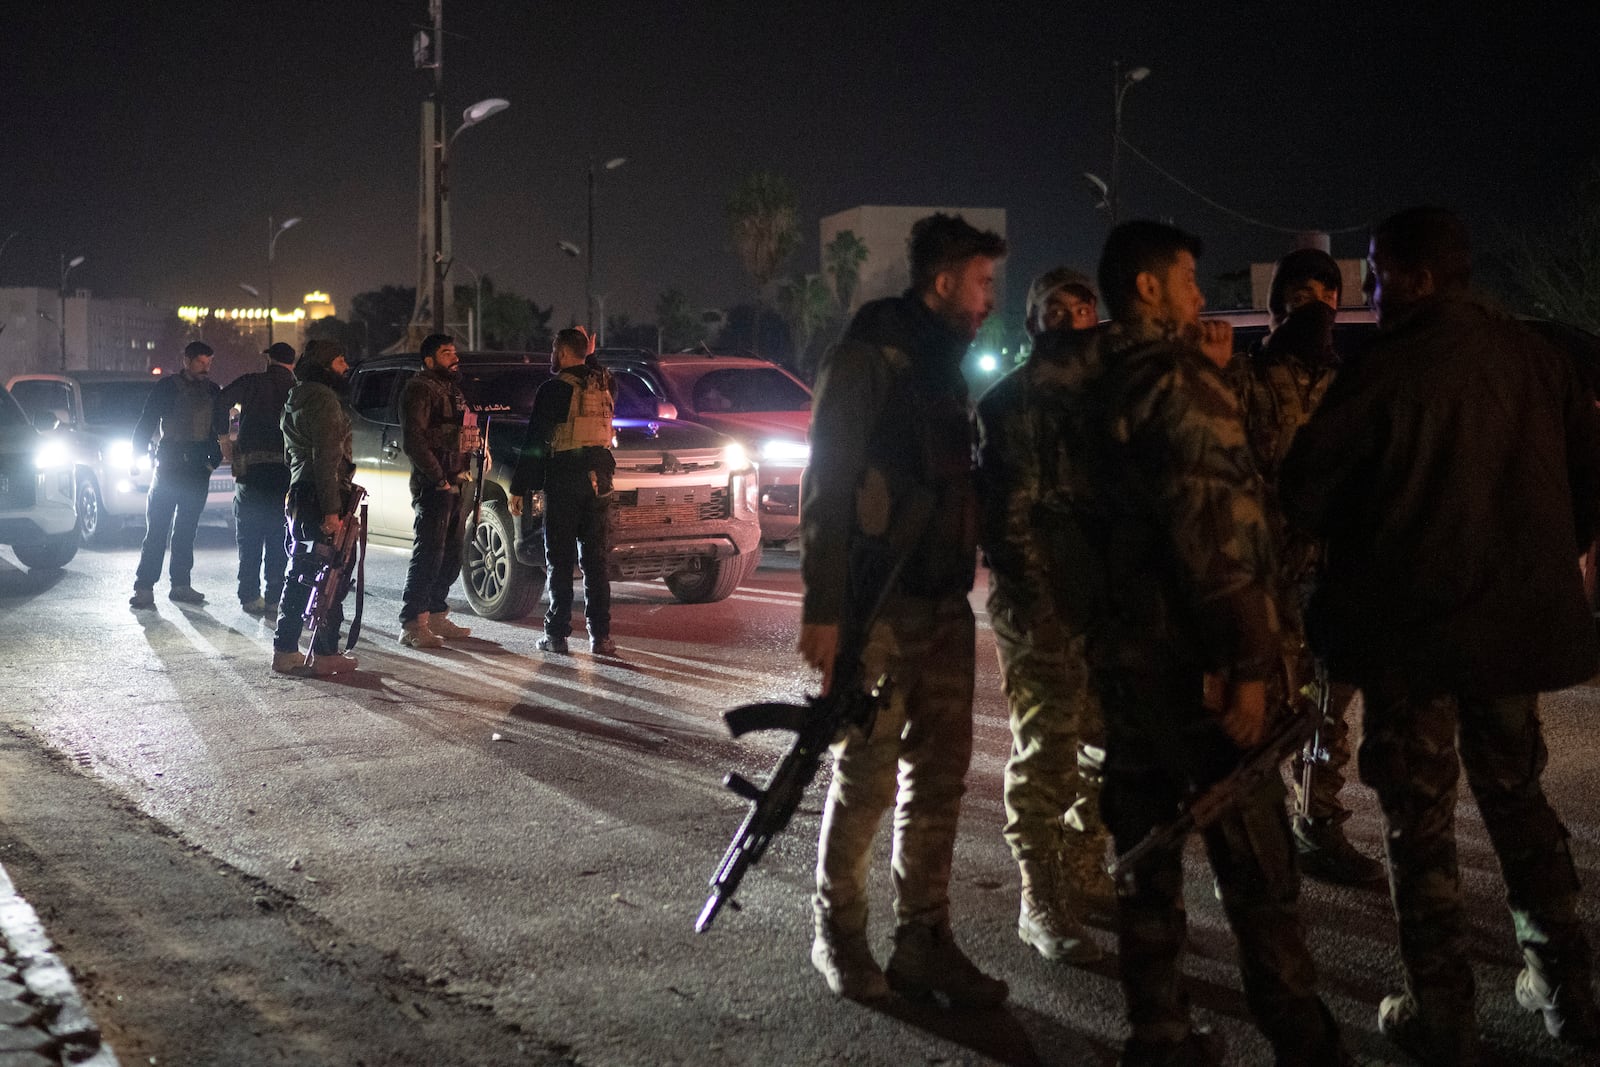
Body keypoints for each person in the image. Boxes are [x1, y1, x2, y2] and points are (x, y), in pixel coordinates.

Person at [1281, 206, 1600, 1064]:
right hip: (1511, 634)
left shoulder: (1382, 370)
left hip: (1408, 641)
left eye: (1379, 274)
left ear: (1416, 277)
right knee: (1519, 802)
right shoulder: (1538, 359)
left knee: (1417, 824)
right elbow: (1588, 488)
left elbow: (1305, 491)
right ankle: (1569, 995)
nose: (1374, 292)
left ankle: (1444, 1013)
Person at [1038, 220, 1344, 1065]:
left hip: (1125, 672)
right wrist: (1249, 667)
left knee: (1148, 867)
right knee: (1259, 877)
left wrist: (1100, 637)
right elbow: (1222, 538)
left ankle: (1160, 1034)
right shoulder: (1182, 385)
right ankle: (1303, 1040)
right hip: (1205, 682)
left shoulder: (1077, 387)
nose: (1200, 297)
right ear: (1147, 288)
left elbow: (1053, 533)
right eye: (1187, 279)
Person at [798, 213, 1008, 1008]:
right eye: (983, 282)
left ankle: (924, 938)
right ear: (945, 279)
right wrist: (825, 611)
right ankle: (840, 934)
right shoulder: (869, 355)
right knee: (866, 774)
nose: (991, 299)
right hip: (878, 606)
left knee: (941, 777)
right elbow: (827, 482)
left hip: (945, 603)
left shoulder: (944, 365)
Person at [974, 266, 1111, 967]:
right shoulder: (1008, 404)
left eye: (1081, 308)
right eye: (1053, 309)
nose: (1068, 320)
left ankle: (1086, 868)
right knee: (1048, 749)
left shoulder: (1114, 395)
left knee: (1108, 745)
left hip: (1107, 600)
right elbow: (1009, 522)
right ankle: (1040, 895)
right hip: (1039, 604)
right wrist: (1042, 613)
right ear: (1033, 322)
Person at [1234, 249, 1384, 886]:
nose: (1314, 307)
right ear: (1278, 304)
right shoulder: (1246, 380)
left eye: (1326, 295)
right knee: (1268, 713)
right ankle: (1256, 839)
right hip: (1269, 580)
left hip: (1337, 577)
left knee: (1328, 709)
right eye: (1300, 296)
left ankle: (1316, 825)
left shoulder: (1350, 384)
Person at [508, 327, 617, 655]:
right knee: (595, 561)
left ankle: (556, 635)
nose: (552, 355)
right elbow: (595, 376)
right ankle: (601, 637)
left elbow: (535, 441)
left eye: (555, 349)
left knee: (559, 559)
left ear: (564, 352)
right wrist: (591, 355)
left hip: (565, 480)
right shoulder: (606, 384)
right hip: (601, 480)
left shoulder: (553, 389)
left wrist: (519, 487)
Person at [272, 339, 360, 676]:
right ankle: (322, 651)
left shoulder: (297, 395)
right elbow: (327, 459)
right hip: (320, 495)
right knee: (332, 573)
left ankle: (288, 648)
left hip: (300, 492)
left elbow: (291, 455)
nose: (345, 366)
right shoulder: (323, 398)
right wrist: (331, 511)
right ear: (325, 364)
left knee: (302, 571)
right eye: (340, 359)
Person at [129, 340, 226, 609]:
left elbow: (220, 430)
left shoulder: (213, 391)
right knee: (157, 529)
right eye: (200, 362)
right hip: (169, 467)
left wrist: (212, 463)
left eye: (209, 363)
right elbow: (147, 420)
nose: (205, 368)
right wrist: (136, 455)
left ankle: (181, 585)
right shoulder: (167, 387)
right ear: (187, 360)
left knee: (186, 531)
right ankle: (144, 587)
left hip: (196, 471)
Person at [397, 334, 479, 648]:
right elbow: (414, 440)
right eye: (446, 353)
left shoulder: (453, 389)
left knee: (452, 552)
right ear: (429, 360)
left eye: (454, 352)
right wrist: (437, 478)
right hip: (435, 485)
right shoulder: (419, 389)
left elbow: (463, 430)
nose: (454, 357)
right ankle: (412, 624)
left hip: (458, 480)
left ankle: (436, 613)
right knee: (429, 551)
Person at [221, 341, 297, 617]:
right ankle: (275, 596)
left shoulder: (253, 382)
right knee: (280, 538)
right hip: (284, 474)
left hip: (250, 474)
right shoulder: (297, 388)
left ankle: (249, 596)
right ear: (292, 362)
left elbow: (221, 401)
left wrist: (223, 439)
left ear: (268, 359)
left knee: (250, 537)